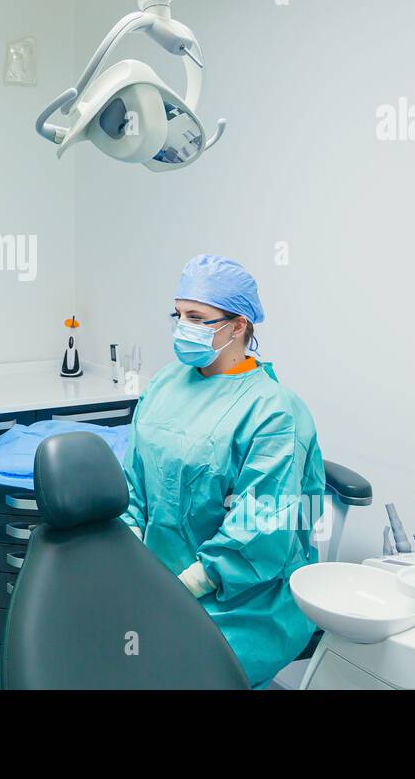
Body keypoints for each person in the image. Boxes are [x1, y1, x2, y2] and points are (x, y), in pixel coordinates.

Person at [120, 253, 325, 688]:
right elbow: (133, 480)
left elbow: (261, 528)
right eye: (177, 315)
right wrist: (130, 550)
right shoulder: (164, 384)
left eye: (196, 316)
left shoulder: (274, 414)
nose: (181, 327)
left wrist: (189, 584)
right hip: (155, 577)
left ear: (238, 327)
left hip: (241, 600)